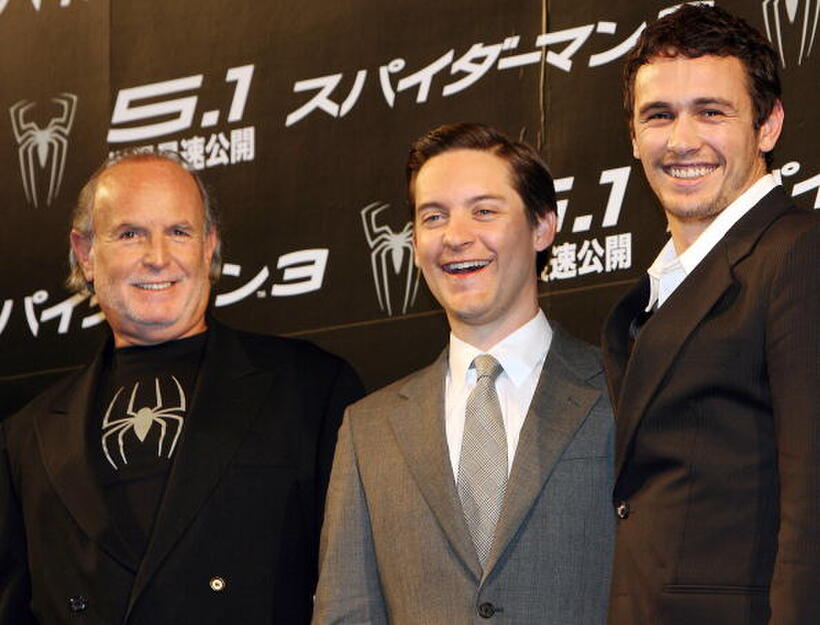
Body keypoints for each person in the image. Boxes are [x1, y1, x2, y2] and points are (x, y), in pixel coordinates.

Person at [0, 151, 363, 624]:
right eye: (130, 234)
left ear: (208, 245)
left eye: (179, 231)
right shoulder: (25, 439)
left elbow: (360, 587)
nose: (157, 257)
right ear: (86, 253)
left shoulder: (310, 388)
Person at [313, 123, 614, 624]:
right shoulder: (369, 431)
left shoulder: (619, 390)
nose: (455, 237)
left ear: (543, 226)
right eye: (434, 217)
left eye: (484, 211)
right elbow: (347, 612)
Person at [602, 5, 819, 624]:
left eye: (711, 112)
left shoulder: (799, 253)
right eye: (659, 116)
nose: (682, 140)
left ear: (768, 124)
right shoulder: (657, 289)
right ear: (633, 136)